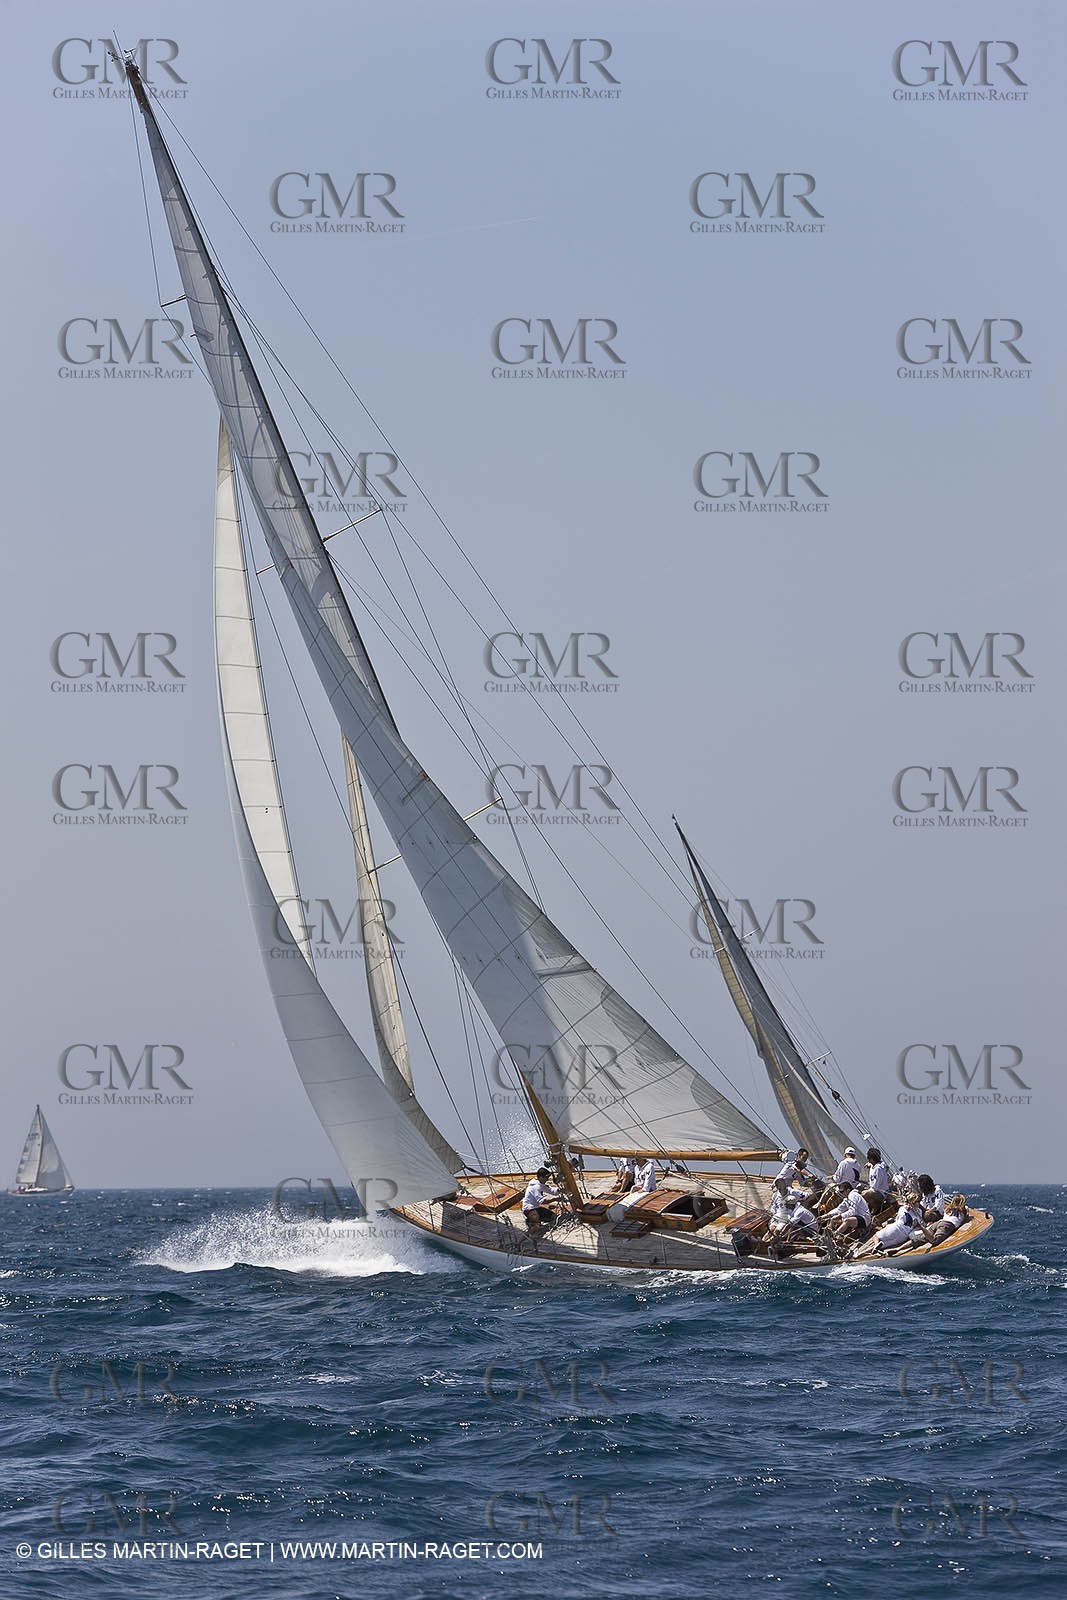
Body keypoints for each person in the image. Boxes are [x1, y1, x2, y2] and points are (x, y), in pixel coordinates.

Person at [521, 1167, 559, 1232]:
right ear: (541, 1177)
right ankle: (531, 1223)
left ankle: (533, 1220)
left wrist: (560, 1189)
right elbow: (543, 1201)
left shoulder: (541, 1184)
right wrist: (555, 1199)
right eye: (546, 1177)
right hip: (529, 1209)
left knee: (553, 1217)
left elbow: (552, 1191)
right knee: (537, 1227)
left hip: (537, 1208)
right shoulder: (535, 1187)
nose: (547, 1179)